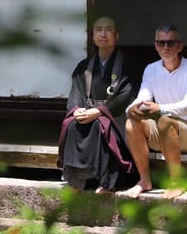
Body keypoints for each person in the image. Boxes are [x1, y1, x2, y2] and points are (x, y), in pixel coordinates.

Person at [119, 24, 187, 199]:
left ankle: (176, 182)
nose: (166, 48)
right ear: (156, 46)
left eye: (171, 43)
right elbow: (142, 97)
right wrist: (132, 109)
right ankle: (144, 180)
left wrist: (160, 109)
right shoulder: (151, 69)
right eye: (161, 43)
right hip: (164, 132)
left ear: (180, 46)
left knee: (165, 121)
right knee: (131, 123)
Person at [57, 15, 139, 194]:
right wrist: (77, 110)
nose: (103, 34)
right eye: (99, 30)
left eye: (109, 30)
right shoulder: (83, 67)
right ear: (92, 36)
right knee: (71, 124)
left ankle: (107, 181)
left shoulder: (129, 65)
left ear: (117, 36)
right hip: (88, 114)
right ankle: (78, 181)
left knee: (101, 125)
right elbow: (76, 94)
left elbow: (127, 95)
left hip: (115, 118)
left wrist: (100, 111)